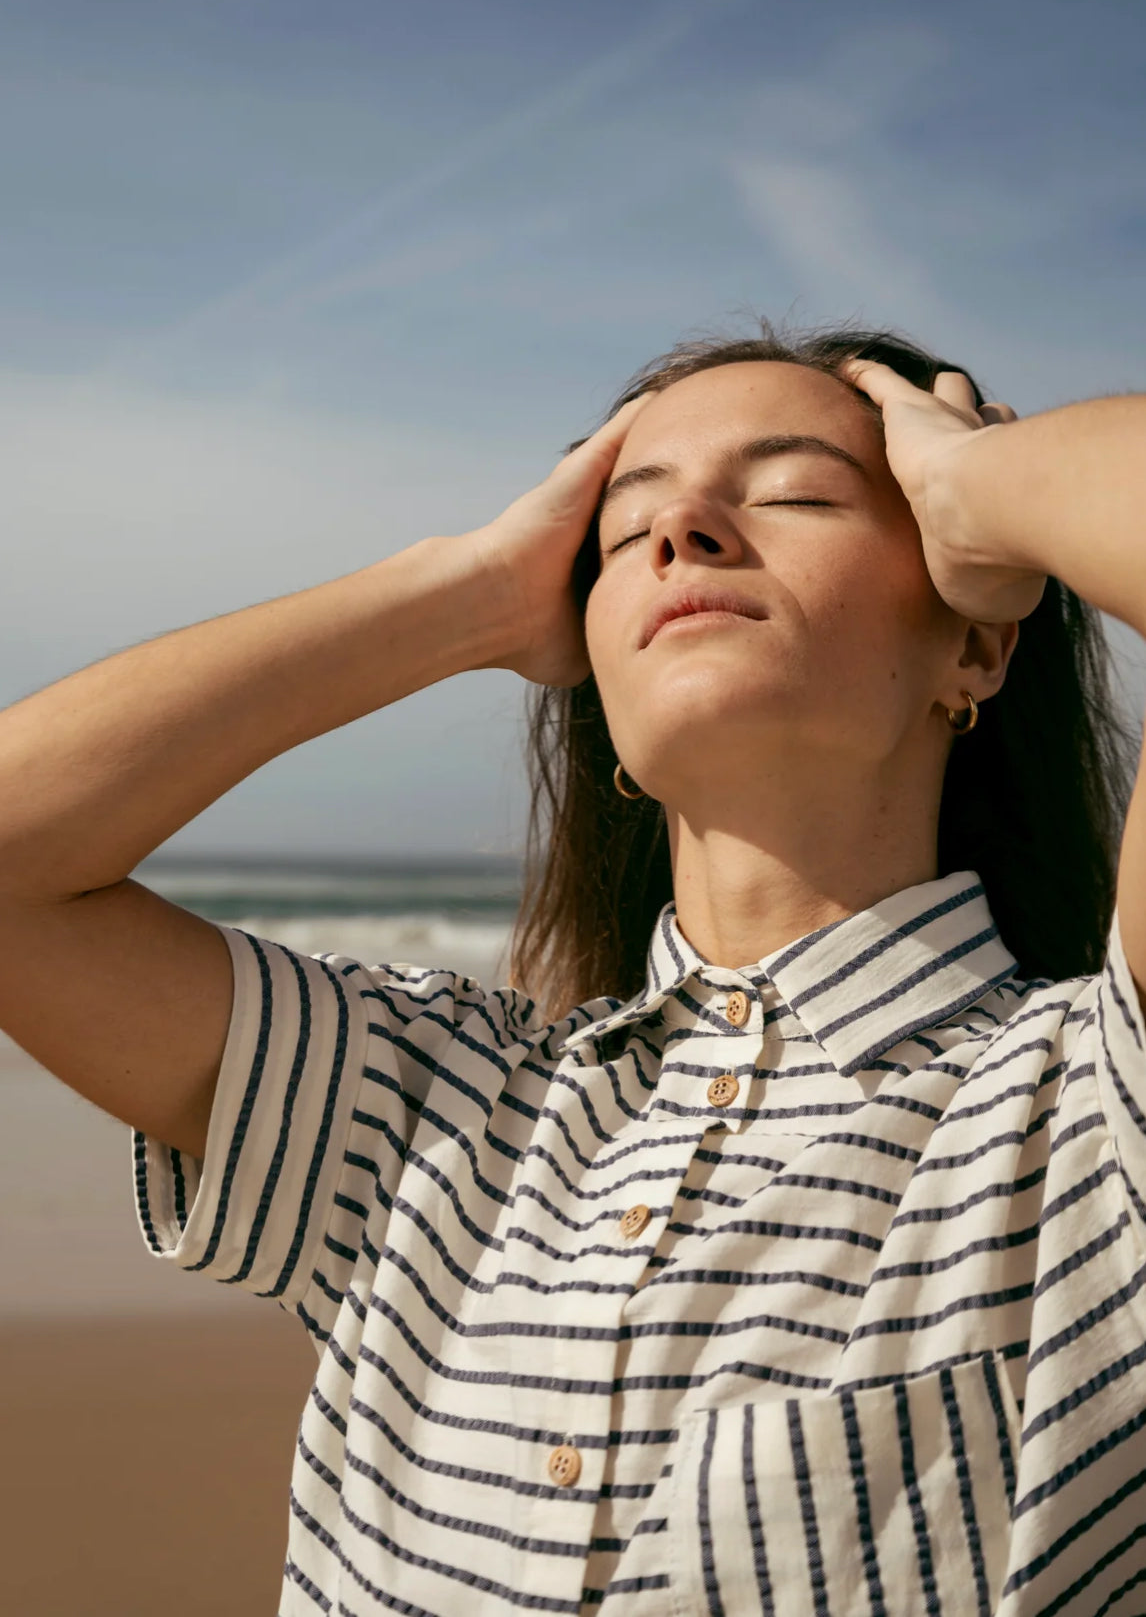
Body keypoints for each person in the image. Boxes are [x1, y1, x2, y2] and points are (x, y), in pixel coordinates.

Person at [2, 317, 1145, 1616]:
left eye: (793, 492)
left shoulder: (1091, 1107)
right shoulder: (430, 1104)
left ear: (974, 642)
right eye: (623, 529)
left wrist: (977, 485)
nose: (685, 534)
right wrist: (468, 592)